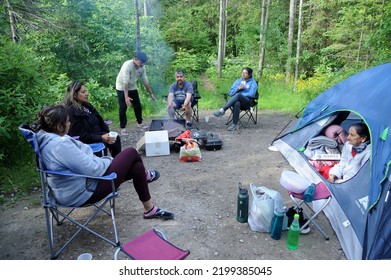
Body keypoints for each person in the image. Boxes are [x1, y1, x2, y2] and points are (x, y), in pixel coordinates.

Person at [33, 104, 173, 220]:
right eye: (68, 121)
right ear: (59, 126)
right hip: (84, 192)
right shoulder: (59, 146)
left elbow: (85, 163)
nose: (70, 123)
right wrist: (109, 161)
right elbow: (93, 169)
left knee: (136, 167)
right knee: (131, 152)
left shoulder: (47, 141)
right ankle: (147, 175)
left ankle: (150, 210)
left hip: (71, 189)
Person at [64, 81, 121, 158]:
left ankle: (118, 162)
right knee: (102, 144)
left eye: (86, 91)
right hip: (86, 141)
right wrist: (101, 138)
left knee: (115, 138)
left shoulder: (87, 106)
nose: (87, 94)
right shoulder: (71, 112)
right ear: (74, 95)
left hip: (97, 135)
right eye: (83, 92)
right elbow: (79, 136)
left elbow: (100, 121)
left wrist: (107, 133)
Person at [115, 52, 156, 135]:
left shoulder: (142, 67)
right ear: (135, 59)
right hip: (121, 87)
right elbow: (125, 82)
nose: (142, 65)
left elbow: (145, 80)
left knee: (137, 105)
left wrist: (151, 93)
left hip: (132, 86)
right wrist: (126, 97)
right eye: (141, 62)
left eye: (143, 63)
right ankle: (123, 128)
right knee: (123, 107)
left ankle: (139, 123)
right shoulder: (127, 65)